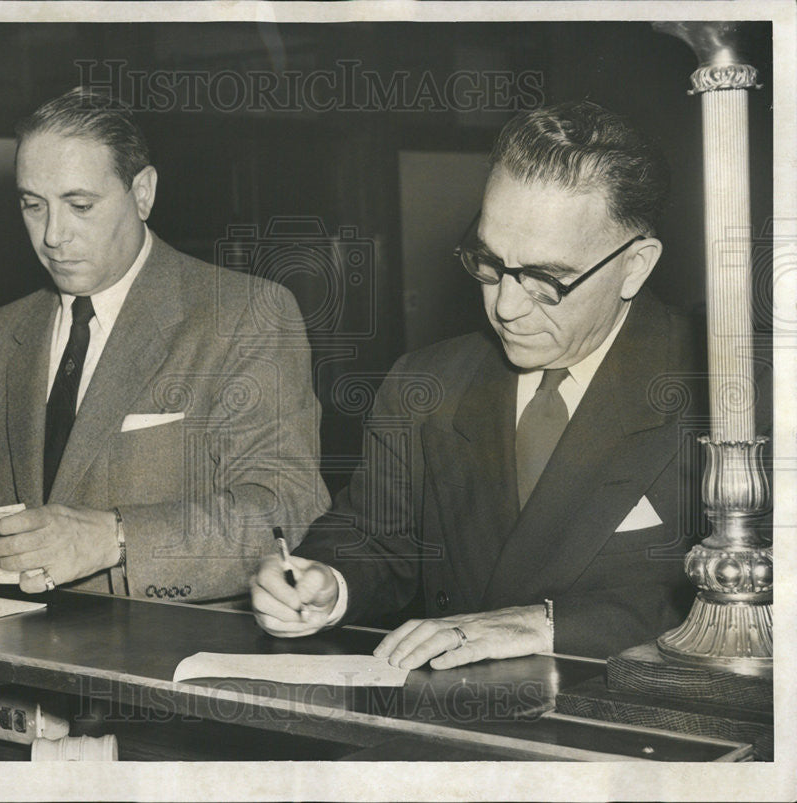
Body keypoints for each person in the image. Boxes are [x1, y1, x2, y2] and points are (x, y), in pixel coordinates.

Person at [252, 100, 768, 663]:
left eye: (547, 279)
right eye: (489, 262)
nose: (505, 306)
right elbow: (375, 538)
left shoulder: (738, 394)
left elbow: (771, 591)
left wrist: (551, 626)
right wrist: (327, 583)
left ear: (636, 265)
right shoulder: (425, 383)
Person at [0, 87, 328, 600]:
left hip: (174, 660)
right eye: (33, 205)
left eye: (80, 205)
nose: (53, 235)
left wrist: (116, 537)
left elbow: (283, 508)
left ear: (143, 193)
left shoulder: (244, 314)